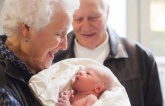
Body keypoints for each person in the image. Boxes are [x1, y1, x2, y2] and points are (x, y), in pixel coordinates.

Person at [53, 0, 163, 106]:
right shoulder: (53, 55)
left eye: (94, 18)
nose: (86, 26)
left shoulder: (140, 57)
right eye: (78, 19)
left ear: (107, 12)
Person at [0, 0, 79, 105]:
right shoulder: (3, 90)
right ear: (27, 29)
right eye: (59, 34)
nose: (65, 46)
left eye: (67, 33)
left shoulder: (44, 64)